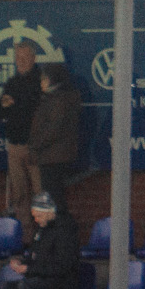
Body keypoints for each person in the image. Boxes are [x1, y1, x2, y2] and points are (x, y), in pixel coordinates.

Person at [3, 192, 79, 289]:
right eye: (34, 217)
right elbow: (34, 257)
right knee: (8, 286)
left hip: (61, 281)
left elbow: (62, 266)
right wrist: (21, 263)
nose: (36, 220)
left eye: (39, 216)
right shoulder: (41, 231)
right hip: (41, 277)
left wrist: (29, 269)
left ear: (49, 213)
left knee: (25, 285)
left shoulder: (64, 233)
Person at [0, 39, 43, 218]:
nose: (21, 61)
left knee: (41, 195)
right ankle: (25, 238)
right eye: (18, 58)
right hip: (15, 146)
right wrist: (7, 105)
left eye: (25, 57)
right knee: (19, 196)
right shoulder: (12, 82)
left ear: (33, 57)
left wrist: (14, 104)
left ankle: (43, 237)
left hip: (35, 146)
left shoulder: (42, 81)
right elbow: (0, 112)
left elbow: (37, 110)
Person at [29, 63, 82, 212]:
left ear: (53, 80)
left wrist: (36, 143)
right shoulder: (55, 98)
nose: (41, 83)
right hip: (53, 155)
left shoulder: (58, 100)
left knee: (54, 200)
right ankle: (59, 230)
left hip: (53, 156)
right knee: (54, 198)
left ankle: (61, 231)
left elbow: (54, 128)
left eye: (44, 79)